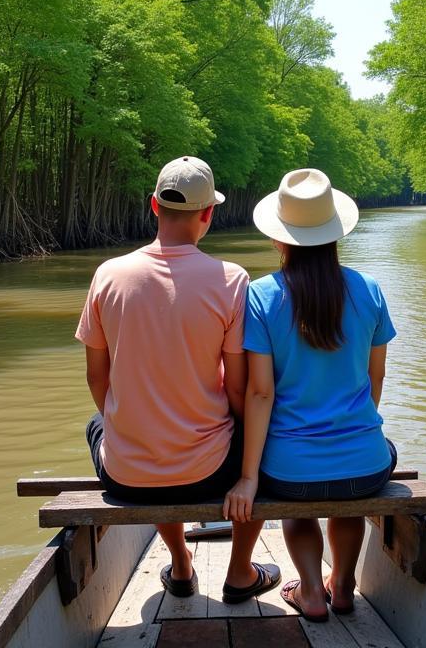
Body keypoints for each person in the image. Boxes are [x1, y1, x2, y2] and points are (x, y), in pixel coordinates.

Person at [76, 156, 279, 603]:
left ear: (153, 205)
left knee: (97, 424)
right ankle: (241, 572)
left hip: (126, 476)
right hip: (209, 471)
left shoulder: (107, 275)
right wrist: (250, 438)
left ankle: (182, 564)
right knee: (262, 440)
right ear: (208, 214)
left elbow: (96, 377)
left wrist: (128, 418)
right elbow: (237, 389)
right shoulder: (231, 279)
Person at [223, 168, 397, 623]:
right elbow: (375, 381)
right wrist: (350, 433)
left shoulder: (260, 296)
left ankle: (312, 592)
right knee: (351, 494)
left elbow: (260, 394)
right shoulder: (370, 289)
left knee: (299, 506)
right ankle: (343, 585)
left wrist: (247, 478)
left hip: (289, 471)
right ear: (335, 232)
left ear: (279, 238)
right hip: (365, 466)